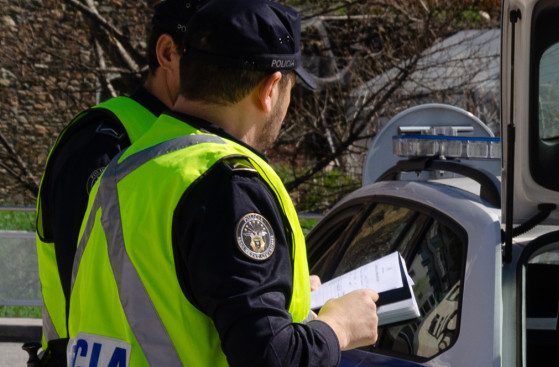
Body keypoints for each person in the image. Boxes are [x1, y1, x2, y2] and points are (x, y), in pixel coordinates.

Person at [66, 0, 379, 366]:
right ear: (270, 88)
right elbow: (270, 358)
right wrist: (338, 327)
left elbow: (163, 308)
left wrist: (285, 303)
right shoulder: (227, 185)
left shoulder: (127, 168)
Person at [32, 1, 208, 365]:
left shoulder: (200, 143)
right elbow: (91, 285)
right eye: (215, 56)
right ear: (167, 53)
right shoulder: (101, 143)